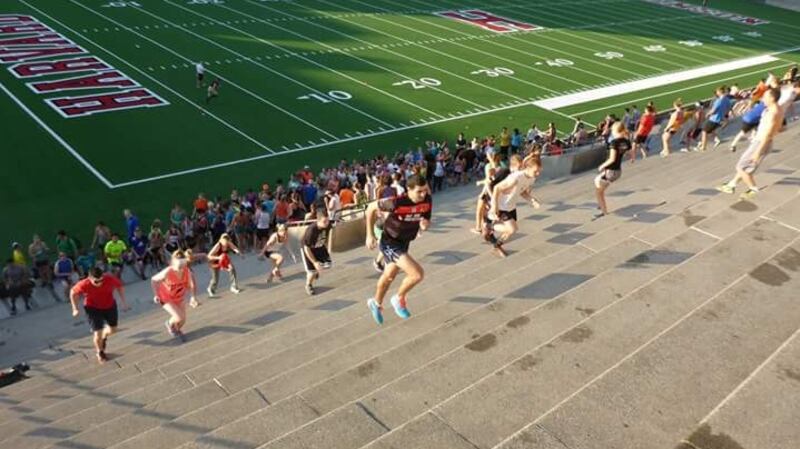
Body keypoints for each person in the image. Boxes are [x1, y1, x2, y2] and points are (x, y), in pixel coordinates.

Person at [365, 174, 432, 324]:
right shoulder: (396, 202)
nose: (423, 194)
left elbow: (426, 217)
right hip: (390, 241)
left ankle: (375, 303)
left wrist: (425, 224)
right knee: (417, 274)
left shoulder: (427, 200)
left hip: (404, 242)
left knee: (389, 276)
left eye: (425, 190)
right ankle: (399, 298)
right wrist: (369, 235)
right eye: (419, 191)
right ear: (409, 189)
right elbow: (370, 208)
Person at [716, 87, 784, 200]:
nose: (763, 98)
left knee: (740, 168)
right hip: (761, 141)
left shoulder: (773, 112)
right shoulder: (776, 109)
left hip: (761, 143)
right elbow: (780, 127)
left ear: (772, 98)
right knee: (746, 168)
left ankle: (753, 189)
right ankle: (731, 185)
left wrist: (757, 152)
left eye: (765, 96)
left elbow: (768, 134)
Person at [487, 153, 542, 257]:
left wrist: (532, 200)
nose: (538, 173)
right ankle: (490, 226)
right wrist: (494, 207)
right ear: (527, 168)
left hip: (511, 206)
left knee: (511, 231)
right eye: (536, 171)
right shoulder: (516, 177)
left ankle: (496, 246)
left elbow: (522, 191)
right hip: (502, 206)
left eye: (539, 171)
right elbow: (496, 188)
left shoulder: (531, 178)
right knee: (513, 228)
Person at [70, 267, 128, 363]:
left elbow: (120, 286)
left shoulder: (109, 279)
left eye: (101, 280)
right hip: (92, 308)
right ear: (90, 278)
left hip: (109, 305)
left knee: (113, 329)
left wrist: (123, 302)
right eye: (96, 282)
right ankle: (100, 352)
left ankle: (104, 335)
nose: (100, 283)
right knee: (97, 333)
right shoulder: (84, 284)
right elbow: (72, 293)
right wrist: (75, 308)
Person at [152, 250, 198, 342]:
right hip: (165, 297)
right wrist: (156, 295)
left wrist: (193, 297)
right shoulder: (168, 271)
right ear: (173, 262)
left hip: (179, 297)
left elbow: (192, 285)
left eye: (182, 264)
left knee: (183, 320)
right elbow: (154, 280)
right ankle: (169, 324)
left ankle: (176, 328)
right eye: (178, 265)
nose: (180, 268)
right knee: (178, 317)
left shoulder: (187, 271)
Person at [595, 122, 631, 219]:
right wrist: (632, 158)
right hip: (617, 171)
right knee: (597, 180)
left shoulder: (614, 143)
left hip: (611, 171)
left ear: (615, 131)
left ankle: (604, 211)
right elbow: (628, 152)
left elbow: (612, 159)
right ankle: (601, 203)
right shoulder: (626, 141)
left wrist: (602, 166)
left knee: (598, 192)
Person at [301, 211, 332, 295]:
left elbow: (327, 236)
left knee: (328, 264)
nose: (326, 223)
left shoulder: (328, 225)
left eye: (327, 221)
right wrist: (314, 262)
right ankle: (308, 285)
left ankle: (316, 272)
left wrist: (327, 247)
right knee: (312, 272)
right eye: (324, 222)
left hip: (320, 246)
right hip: (308, 249)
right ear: (318, 221)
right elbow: (306, 248)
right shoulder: (311, 231)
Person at [697, 87, 732, 151]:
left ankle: (703, 146)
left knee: (704, 131)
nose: (717, 93)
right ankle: (707, 142)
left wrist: (708, 114)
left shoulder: (718, 101)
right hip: (720, 119)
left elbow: (713, 110)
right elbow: (728, 108)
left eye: (717, 92)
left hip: (714, 119)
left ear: (720, 92)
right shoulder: (727, 100)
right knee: (710, 131)